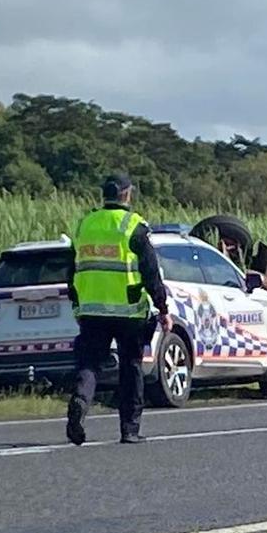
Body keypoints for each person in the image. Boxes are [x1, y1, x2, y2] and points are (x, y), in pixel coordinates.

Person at [65, 173, 171, 446]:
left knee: (89, 362)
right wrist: (163, 307)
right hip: (128, 311)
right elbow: (151, 273)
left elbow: (71, 269)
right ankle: (129, 429)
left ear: (104, 195)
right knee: (131, 367)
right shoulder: (133, 226)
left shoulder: (84, 224)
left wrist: (76, 302)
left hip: (91, 311)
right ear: (127, 194)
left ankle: (81, 399)